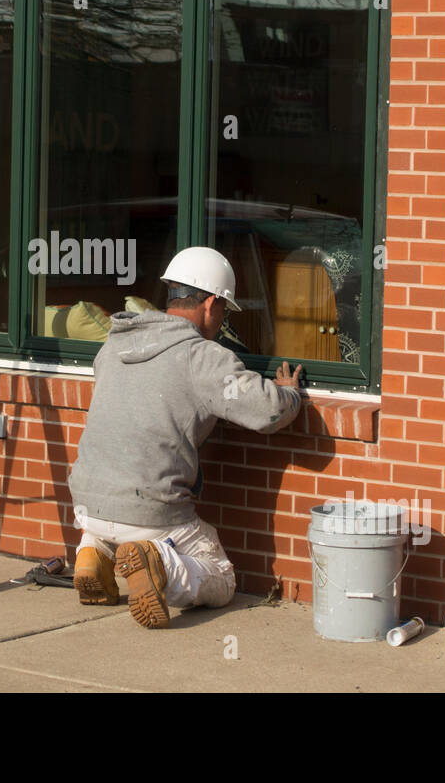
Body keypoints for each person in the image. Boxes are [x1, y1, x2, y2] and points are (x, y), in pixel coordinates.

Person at [67, 246, 302, 628]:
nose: (222, 318)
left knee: (114, 527)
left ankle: (92, 552)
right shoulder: (201, 357)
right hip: (150, 513)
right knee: (221, 576)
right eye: (224, 309)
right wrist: (289, 393)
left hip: (87, 505)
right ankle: (161, 566)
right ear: (210, 305)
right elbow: (267, 411)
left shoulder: (113, 345)